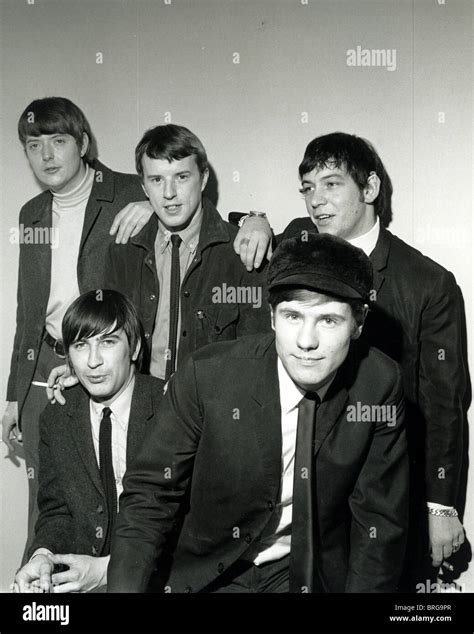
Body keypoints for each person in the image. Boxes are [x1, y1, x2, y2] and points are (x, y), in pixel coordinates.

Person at [107, 233, 409, 593]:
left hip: (303, 573)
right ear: (271, 317)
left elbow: (379, 521)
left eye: (328, 320)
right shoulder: (209, 375)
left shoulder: (379, 384)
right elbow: (149, 497)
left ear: (358, 323)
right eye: (293, 316)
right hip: (208, 572)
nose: (306, 341)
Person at [231, 131, 467, 589]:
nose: (316, 200)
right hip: (296, 489)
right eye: (307, 188)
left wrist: (440, 507)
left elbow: (446, 406)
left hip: (381, 485)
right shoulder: (298, 240)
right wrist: (253, 218)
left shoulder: (428, 283)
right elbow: (235, 227)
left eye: (332, 184)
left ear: (371, 189)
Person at [1, 97, 155, 557]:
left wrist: (151, 206)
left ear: (83, 143)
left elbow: (190, 206)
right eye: (34, 145)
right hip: (46, 365)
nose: (46, 155)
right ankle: (41, 589)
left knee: (116, 494)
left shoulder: (130, 190)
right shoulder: (31, 212)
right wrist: (14, 393)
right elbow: (28, 309)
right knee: (48, 506)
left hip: (108, 359)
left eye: (58, 141)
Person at [47, 124, 270, 391]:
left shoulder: (241, 253)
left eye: (182, 177)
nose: (168, 193)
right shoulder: (122, 251)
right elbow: (107, 334)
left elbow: (256, 358)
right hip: (140, 408)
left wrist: (257, 218)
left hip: (210, 414)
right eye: (156, 180)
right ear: (143, 186)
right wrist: (80, 370)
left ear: (204, 178)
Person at [13, 290, 164, 593]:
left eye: (107, 342)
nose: (93, 361)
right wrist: (43, 555)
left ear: (134, 348)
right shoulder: (57, 417)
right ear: (68, 356)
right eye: (81, 346)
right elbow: (56, 512)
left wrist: (108, 570)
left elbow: (187, 523)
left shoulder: (170, 408)